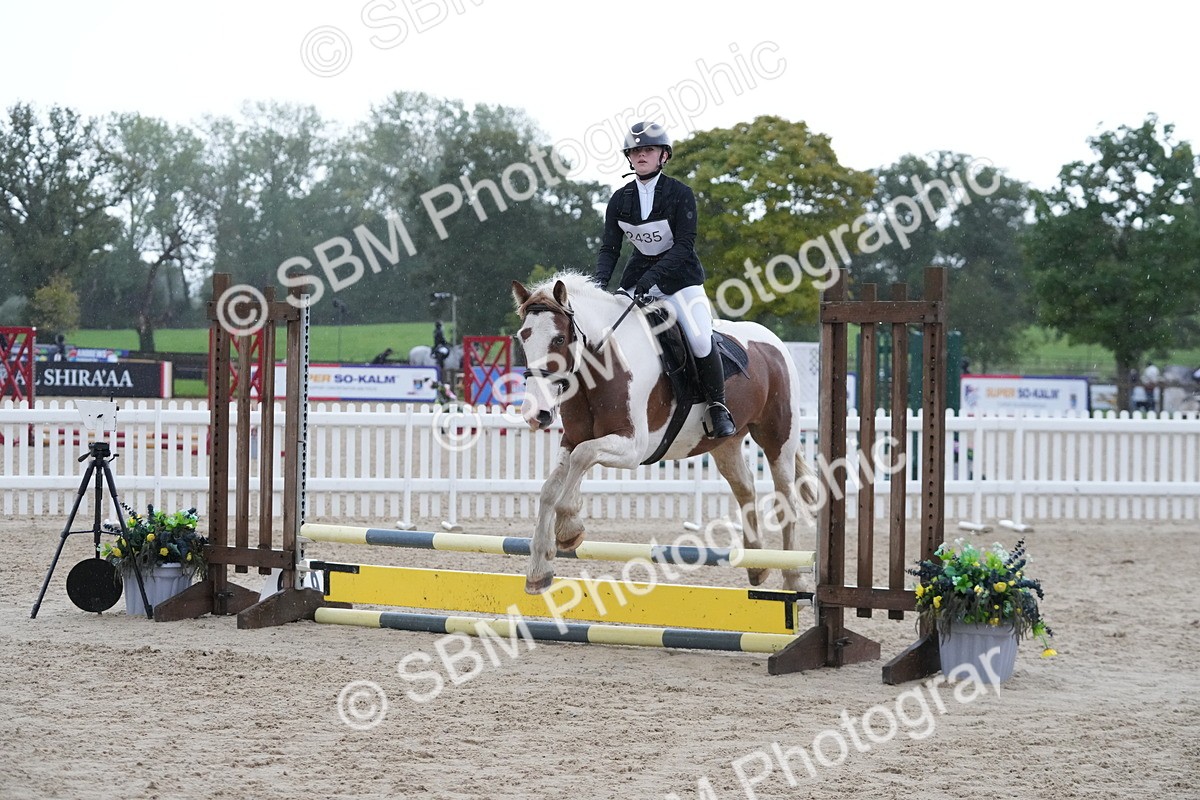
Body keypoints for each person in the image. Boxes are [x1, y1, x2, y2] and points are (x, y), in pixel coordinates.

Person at [592, 121, 736, 439]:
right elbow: (610, 249)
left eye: (648, 149)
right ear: (629, 157)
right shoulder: (619, 200)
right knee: (608, 332)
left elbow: (684, 246)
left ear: (663, 156)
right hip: (638, 276)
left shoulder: (680, 194)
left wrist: (652, 278)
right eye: (635, 151)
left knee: (700, 339)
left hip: (682, 278)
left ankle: (717, 406)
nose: (641, 155)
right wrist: (598, 285)